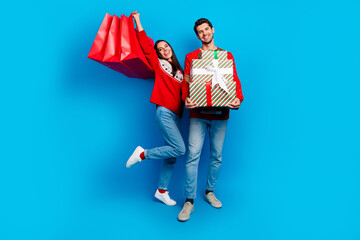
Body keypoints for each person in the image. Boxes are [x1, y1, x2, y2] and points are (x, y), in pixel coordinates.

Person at [177, 18, 244, 221]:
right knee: (193, 156)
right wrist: (185, 98)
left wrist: (238, 99)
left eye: (207, 29)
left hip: (221, 114)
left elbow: (233, 79)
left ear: (213, 30)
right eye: (200, 31)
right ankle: (189, 201)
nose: (204, 33)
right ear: (197, 36)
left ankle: (209, 192)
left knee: (217, 156)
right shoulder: (191, 57)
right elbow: (186, 81)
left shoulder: (226, 55)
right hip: (198, 114)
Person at [126, 11, 185, 206]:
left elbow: (190, 91)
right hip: (164, 112)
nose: (164, 50)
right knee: (179, 148)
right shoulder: (158, 64)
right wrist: (138, 20)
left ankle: (162, 191)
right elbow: (145, 44)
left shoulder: (181, 71)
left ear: (171, 48)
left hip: (175, 115)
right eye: (160, 49)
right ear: (158, 53)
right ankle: (142, 154)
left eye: (166, 46)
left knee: (172, 154)